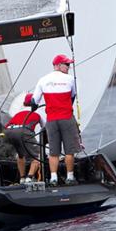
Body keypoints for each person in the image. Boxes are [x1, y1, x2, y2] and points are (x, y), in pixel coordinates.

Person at [31, 54, 79, 186]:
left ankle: (53, 179)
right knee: (69, 150)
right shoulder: (70, 79)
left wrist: (33, 108)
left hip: (51, 120)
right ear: (57, 65)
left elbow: (34, 101)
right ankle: (70, 177)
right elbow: (73, 96)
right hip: (67, 118)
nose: (69, 67)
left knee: (54, 151)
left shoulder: (42, 80)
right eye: (66, 64)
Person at [4, 93, 46, 184]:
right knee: (37, 157)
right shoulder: (38, 111)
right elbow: (45, 128)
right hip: (23, 131)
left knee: (20, 154)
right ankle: (29, 178)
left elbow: (8, 125)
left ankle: (22, 178)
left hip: (8, 131)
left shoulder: (18, 112)